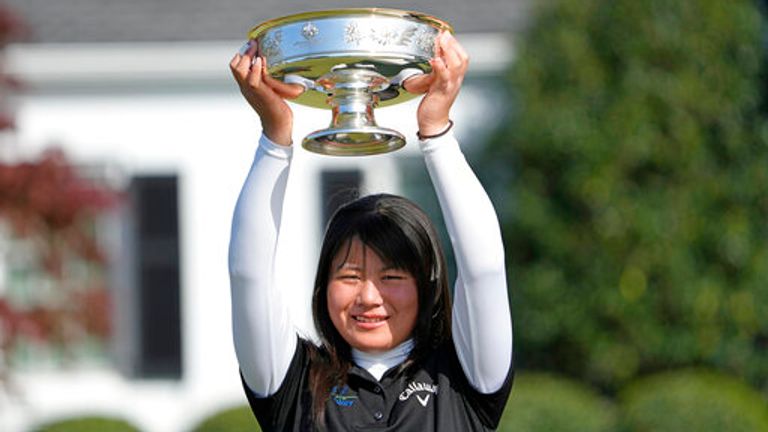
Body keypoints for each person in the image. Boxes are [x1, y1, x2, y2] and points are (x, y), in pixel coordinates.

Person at [228, 31, 513, 431]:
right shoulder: (293, 383)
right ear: (322, 285)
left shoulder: (466, 376)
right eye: (349, 276)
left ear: (426, 286)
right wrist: (275, 137)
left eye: (392, 276)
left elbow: (484, 267)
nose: (368, 296)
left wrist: (436, 132)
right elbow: (248, 274)